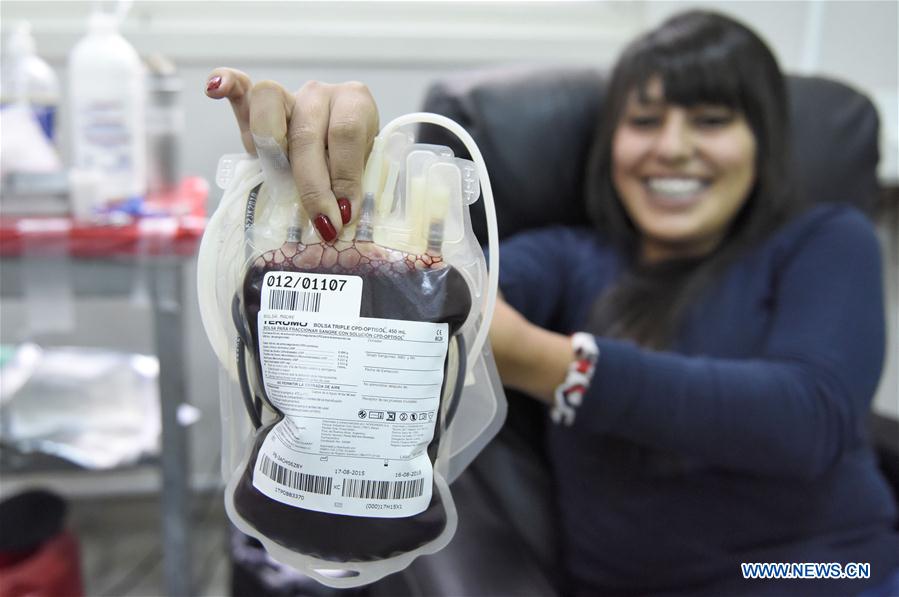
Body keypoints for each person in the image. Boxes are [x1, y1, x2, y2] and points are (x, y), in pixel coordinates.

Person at [206, 10, 899, 595]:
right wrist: (331, 194)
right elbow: (417, 293)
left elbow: (806, 419)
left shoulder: (824, 238)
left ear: (764, 141)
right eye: (646, 120)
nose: (673, 149)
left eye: (711, 120)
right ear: (609, 143)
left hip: (824, 569)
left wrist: (545, 361)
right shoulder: (565, 259)